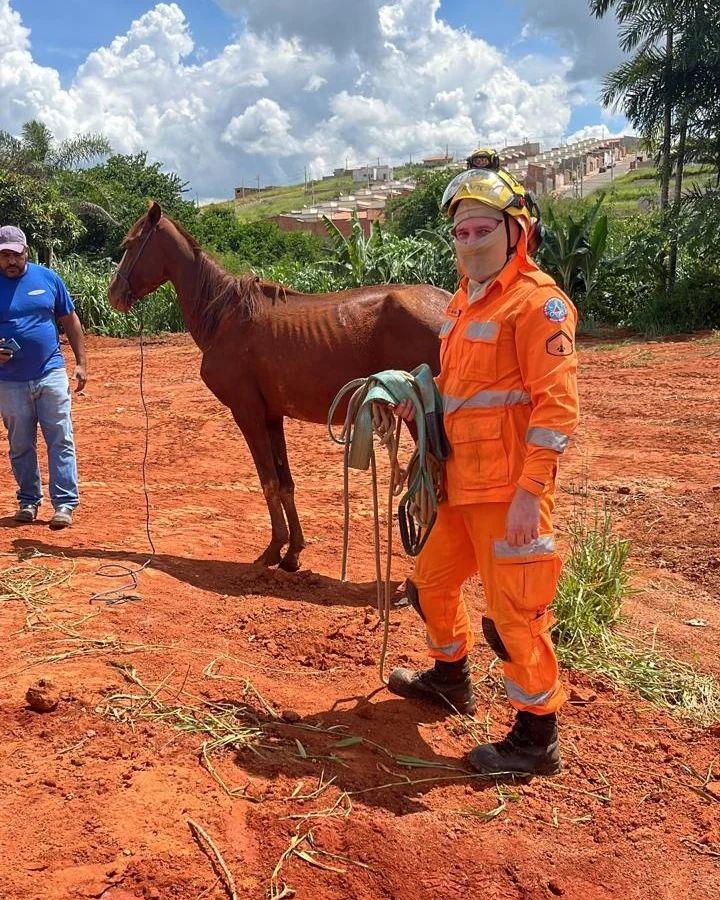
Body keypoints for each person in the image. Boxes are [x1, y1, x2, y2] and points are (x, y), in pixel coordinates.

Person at [390, 168, 579, 778]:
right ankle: (450, 679)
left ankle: (535, 735)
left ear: (515, 231)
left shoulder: (539, 305)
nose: (469, 242)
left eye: (482, 230)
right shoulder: (462, 304)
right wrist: (419, 397)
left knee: (513, 616)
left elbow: (555, 409)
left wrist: (532, 493)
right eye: (461, 232)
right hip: (458, 485)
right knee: (429, 585)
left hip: (508, 494)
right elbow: (459, 387)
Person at [0, 225, 86, 529]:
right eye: (4, 255)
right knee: (20, 443)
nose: (11, 261)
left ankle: (64, 504)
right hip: (9, 381)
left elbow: (70, 320)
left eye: (15, 254)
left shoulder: (48, 279)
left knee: (60, 438)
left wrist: (81, 363)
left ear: (26, 251)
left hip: (50, 372)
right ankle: (28, 501)